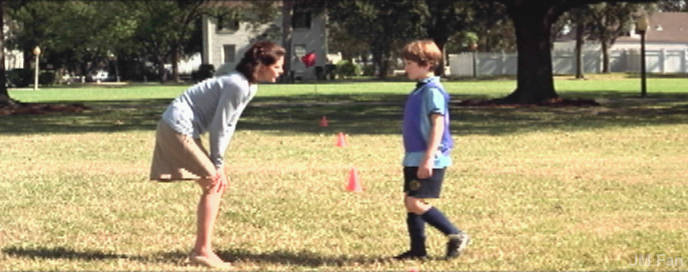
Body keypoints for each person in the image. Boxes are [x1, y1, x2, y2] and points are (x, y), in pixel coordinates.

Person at [149, 41, 285, 269]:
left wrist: (219, 161)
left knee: (214, 184)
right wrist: (218, 164)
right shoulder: (237, 84)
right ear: (261, 64)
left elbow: (228, 125)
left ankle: (202, 249)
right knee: (214, 183)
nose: (281, 71)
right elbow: (219, 127)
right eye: (278, 66)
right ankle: (202, 251)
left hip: (181, 128)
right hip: (176, 127)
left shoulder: (248, 86)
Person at [394, 40, 469, 260]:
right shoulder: (420, 90)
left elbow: (438, 124)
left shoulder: (433, 91)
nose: (406, 68)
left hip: (428, 157)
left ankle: (455, 234)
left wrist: (428, 158)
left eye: (409, 63)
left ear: (427, 64)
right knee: (411, 202)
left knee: (414, 202)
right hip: (414, 156)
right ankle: (418, 251)